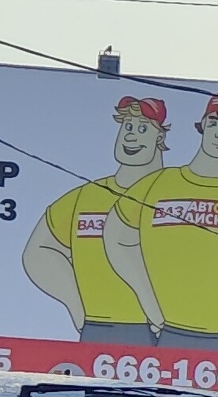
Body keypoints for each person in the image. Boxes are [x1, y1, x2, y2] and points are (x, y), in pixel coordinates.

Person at [104, 87, 218, 351]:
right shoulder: (158, 184)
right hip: (170, 334)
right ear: (202, 127)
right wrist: (149, 301)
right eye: (214, 122)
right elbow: (115, 236)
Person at [23, 94, 169, 341]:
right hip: (98, 328)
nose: (131, 135)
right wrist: (77, 305)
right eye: (127, 127)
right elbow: (37, 251)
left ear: (160, 138)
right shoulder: (86, 197)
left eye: (143, 128)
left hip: (163, 331)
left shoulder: (174, 194)